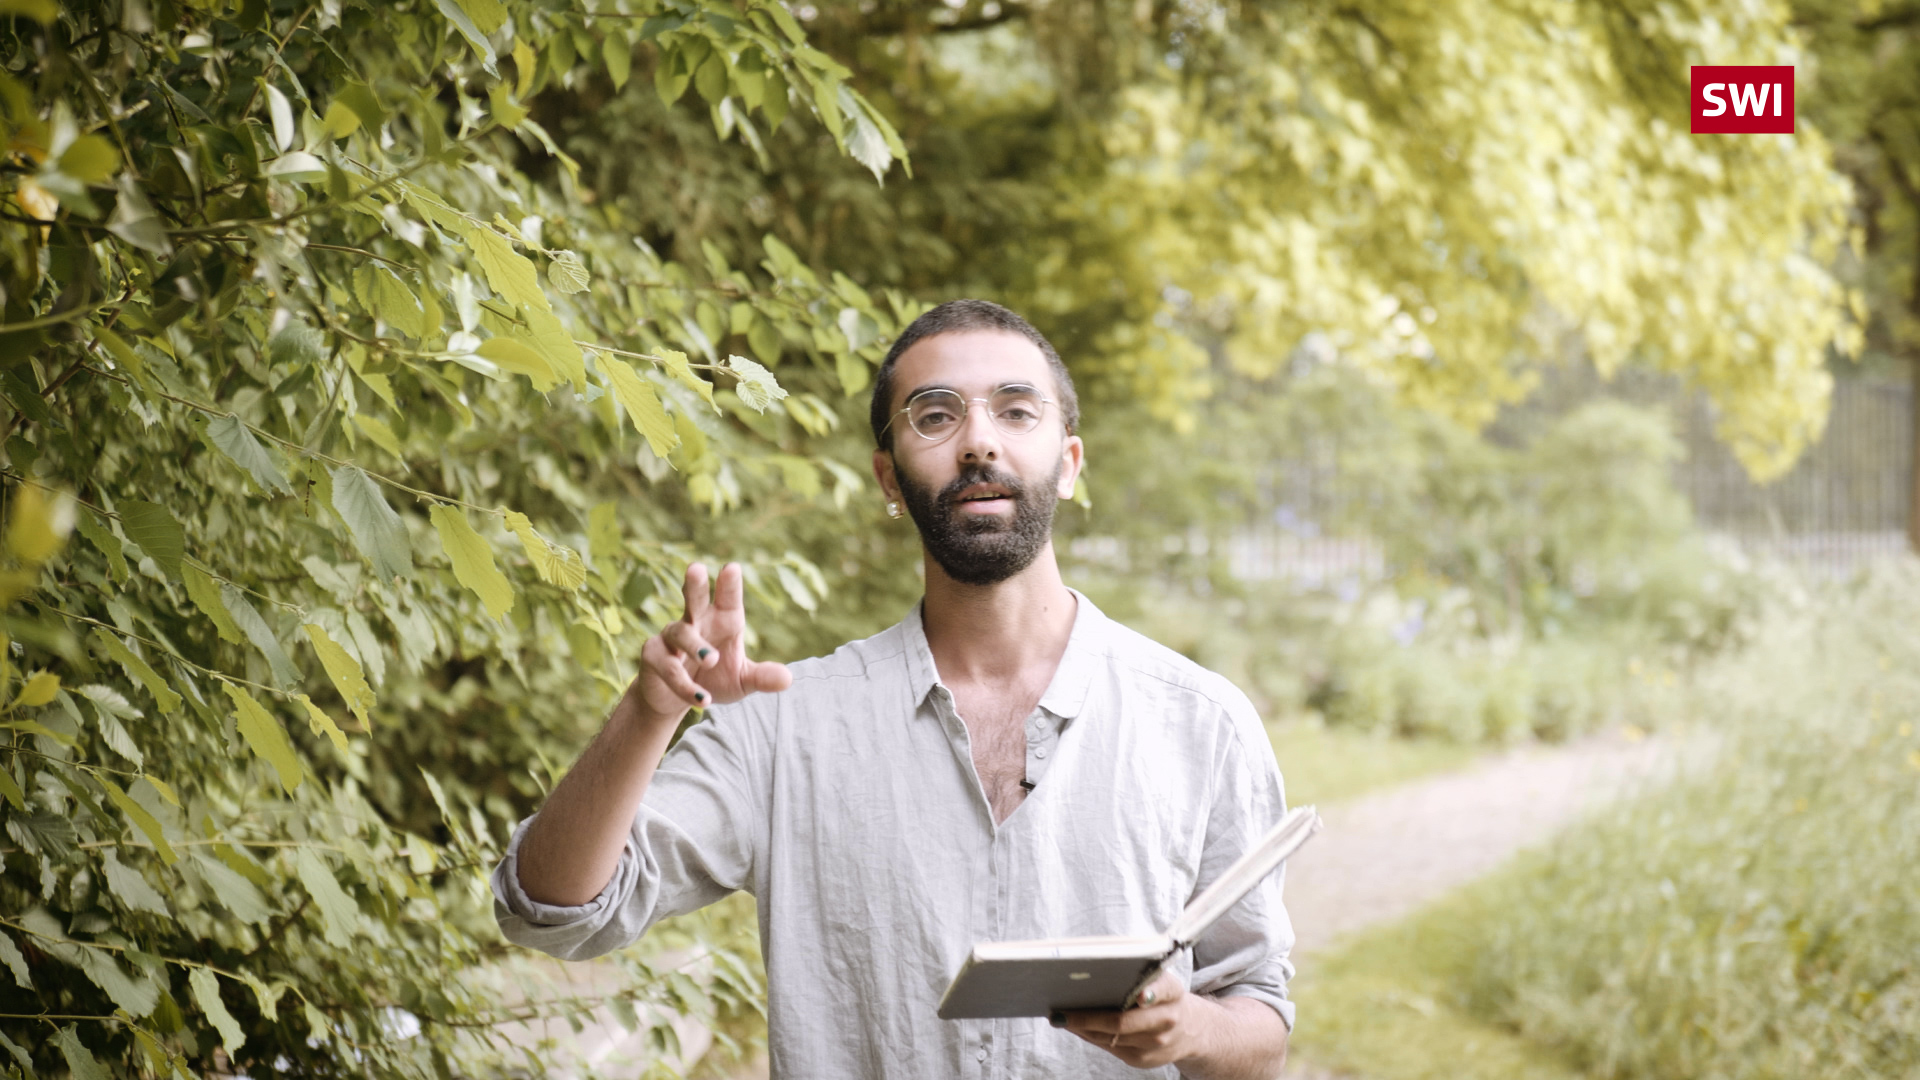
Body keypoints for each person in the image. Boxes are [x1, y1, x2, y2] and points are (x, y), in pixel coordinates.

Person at [491, 299, 1297, 1079]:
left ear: (1071, 462)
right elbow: (554, 911)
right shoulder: (782, 727)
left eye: (1016, 411)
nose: (978, 441)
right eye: (936, 415)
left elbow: (1260, 1032)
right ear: (887, 475)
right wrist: (650, 711)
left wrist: (1193, 1028)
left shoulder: (1203, 723)